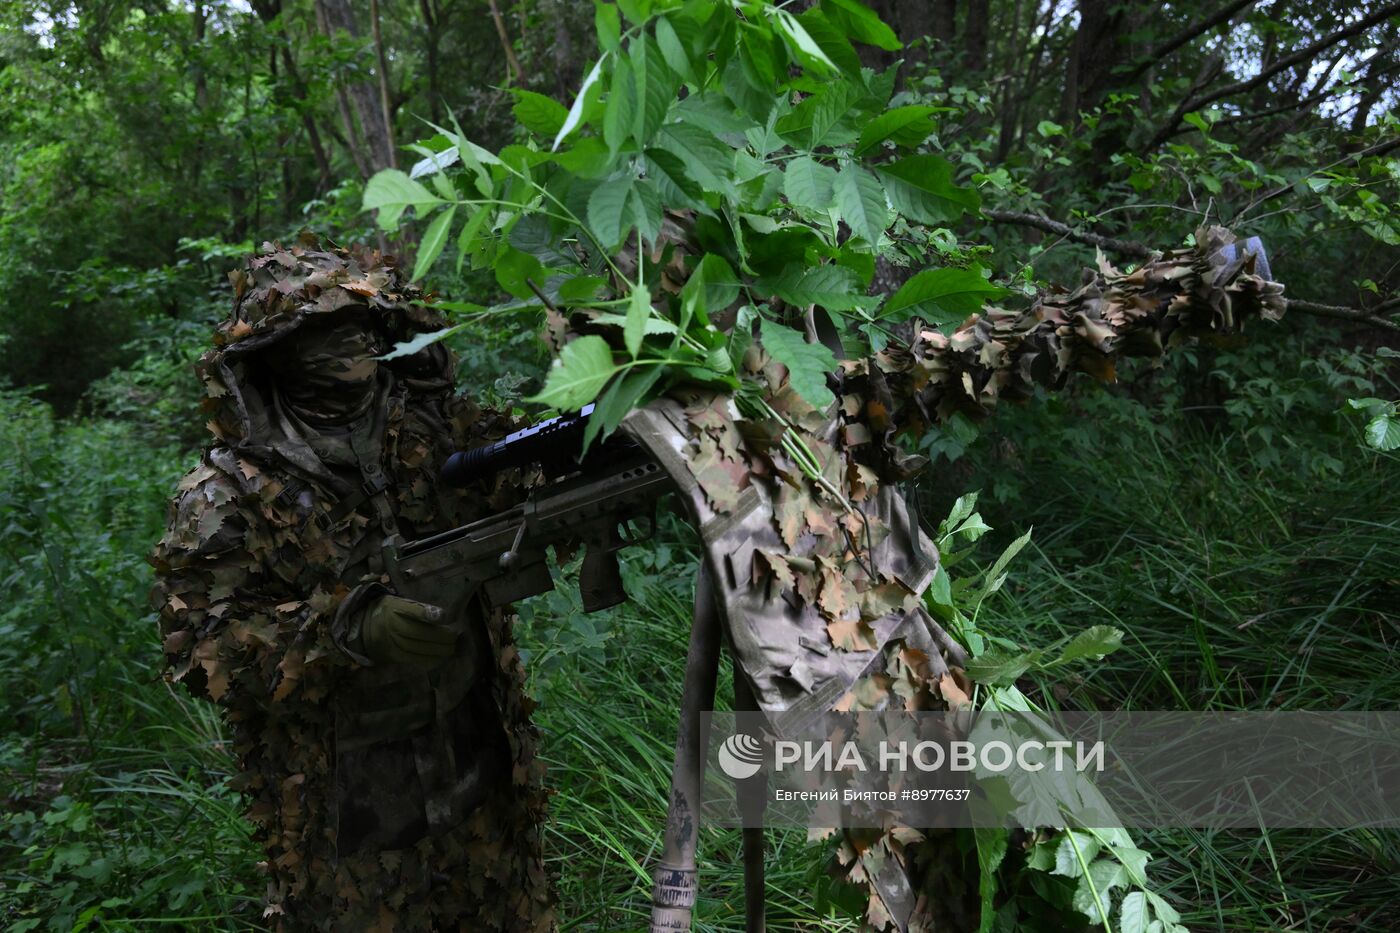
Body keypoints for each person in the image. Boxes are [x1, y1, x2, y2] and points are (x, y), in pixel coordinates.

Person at [150, 235, 554, 931]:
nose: (351, 340)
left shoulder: (436, 428)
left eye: (360, 322)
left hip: (482, 778)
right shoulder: (224, 496)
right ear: (274, 350)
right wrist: (349, 631)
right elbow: (201, 650)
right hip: (350, 822)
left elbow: (534, 481)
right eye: (322, 329)